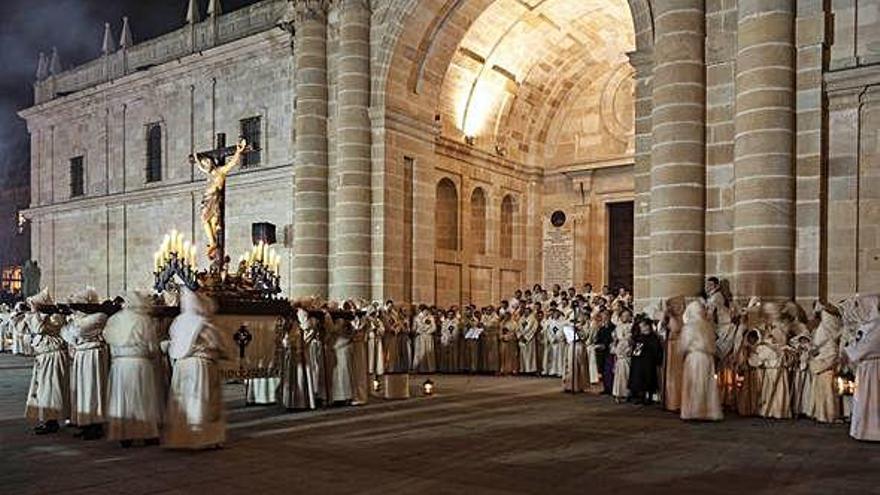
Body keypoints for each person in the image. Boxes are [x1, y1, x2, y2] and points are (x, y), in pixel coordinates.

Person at [163, 289, 232, 449]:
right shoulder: (203, 324)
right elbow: (219, 344)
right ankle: (203, 438)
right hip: (201, 366)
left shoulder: (178, 322)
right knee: (201, 401)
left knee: (184, 401)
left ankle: (181, 437)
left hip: (181, 366)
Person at [103, 291, 164, 447]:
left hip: (120, 365)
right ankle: (147, 433)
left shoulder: (115, 319)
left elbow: (109, 341)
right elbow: (152, 346)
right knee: (144, 400)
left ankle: (125, 435)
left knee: (123, 399)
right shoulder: (144, 320)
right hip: (140, 364)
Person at [61, 312, 110, 440]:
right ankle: (86, 423)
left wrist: (72, 325)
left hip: (92, 356)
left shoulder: (98, 317)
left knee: (93, 389)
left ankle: (95, 424)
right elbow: (66, 333)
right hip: (82, 355)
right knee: (82, 391)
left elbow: (77, 332)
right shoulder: (79, 319)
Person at [25, 309, 70, 434]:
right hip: (45, 358)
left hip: (53, 357)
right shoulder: (44, 317)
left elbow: (37, 328)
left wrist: (38, 312)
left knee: (51, 390)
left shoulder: (55, 317)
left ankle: (52, 421)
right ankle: (48, 419)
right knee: (44, 390)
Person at [842, 295, 880, 441]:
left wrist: (850, 352)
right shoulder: (867, 325)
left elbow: (868, 346)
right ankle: (863, 429)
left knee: (873, 399)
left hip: (873, 367)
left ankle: (873, 431)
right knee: (864, 399)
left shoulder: (877, 325)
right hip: (865, 368)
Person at [679, 301, 723, 421]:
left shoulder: (689, 327)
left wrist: (682, 354)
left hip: (694, 358)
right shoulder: (707, 325)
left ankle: (694, 411)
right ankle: (708, 411)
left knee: (694, 384)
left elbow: (684, 344)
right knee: (706, 384)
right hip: (707, 358)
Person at [808, 304, 842, 423]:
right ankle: (821, 414)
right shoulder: (826, 330)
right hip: (822, 362)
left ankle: (828, 415)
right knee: (823, 392)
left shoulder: (826, 330)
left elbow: (819, 343)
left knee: (828, 392)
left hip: (826, 366)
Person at [280, 307, 317, 410]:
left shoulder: (303, 327)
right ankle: (292, 402)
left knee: (300, 378)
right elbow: (286, 339)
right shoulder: (291, 326)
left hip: (299, 354)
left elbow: (305, 336)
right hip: (292, 354)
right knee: (294, 377)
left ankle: (300, 402)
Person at [628, 316, 663, 405]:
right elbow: (636, 349)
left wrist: (657, 359)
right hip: (639, 361)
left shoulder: (653, 338)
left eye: (645, 326)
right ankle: (640, 396)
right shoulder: (639, 337)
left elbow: (656, 350)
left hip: (649, 361)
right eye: (642, 326)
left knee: (649, 378)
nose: (644, 328)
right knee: (639, 379)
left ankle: (649, 396)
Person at [662, 296, 686, 411]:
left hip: (677, 348)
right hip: (672, 347)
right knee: (671, 375)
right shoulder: (672, 318)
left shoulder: (681, 319)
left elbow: (676, 328)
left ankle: (676, 401)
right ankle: (671, 400)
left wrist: (671, 316)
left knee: (676, 375)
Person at [412, 305, 437, 373]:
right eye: (425, 310)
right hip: (420, 337)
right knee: (420, 352)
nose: (426, 312)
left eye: (427, 310)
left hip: (428, 337)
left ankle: (430, 368)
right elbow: (414, 328)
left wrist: (428, 332)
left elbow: (434, 327)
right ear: (421, 311)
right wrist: (418, 331)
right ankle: (420, 368)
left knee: (428, 352)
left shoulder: (431, 317)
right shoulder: (416, 318)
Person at [518, 307, 539, 375]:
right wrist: (520, 336)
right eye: (525, 311)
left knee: (530, 355)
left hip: (530, 339)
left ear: (530, 312)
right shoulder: (521, 319)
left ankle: (530, 370)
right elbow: (517, 328)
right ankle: (523, 369)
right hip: (522, 339)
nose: (526, 312)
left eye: (527, 311)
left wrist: (527, 337)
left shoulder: (533, 319)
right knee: (523, 355)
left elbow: (534, 329)